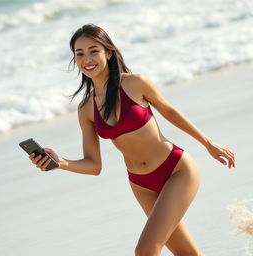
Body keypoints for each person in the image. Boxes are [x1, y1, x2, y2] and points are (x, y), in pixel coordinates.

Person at [29, 24, 235, 256]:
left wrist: (209, 144)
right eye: (80, 53)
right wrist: (61, 162)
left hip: (176, 170)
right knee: (187, 254)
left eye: (93, 50)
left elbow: (170, 113)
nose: (87, 58)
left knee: (145, 250)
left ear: (108, 52)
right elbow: (93, 165)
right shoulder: (86, 108)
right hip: (141, 185)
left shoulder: (134, 83)